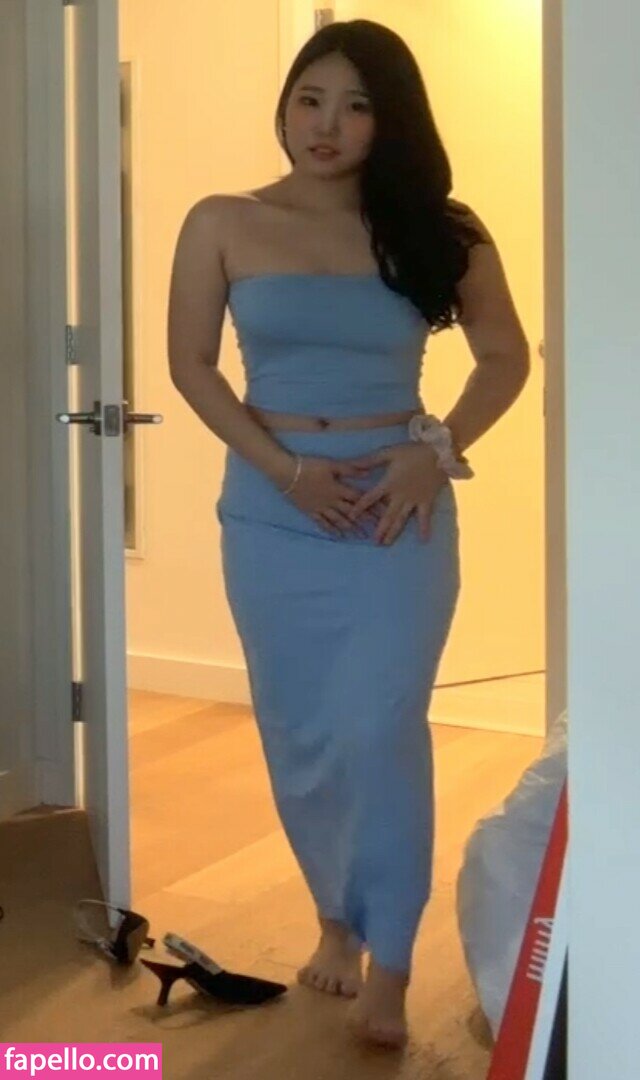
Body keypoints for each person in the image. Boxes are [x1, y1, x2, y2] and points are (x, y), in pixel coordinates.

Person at [167, 18, 530, 1051]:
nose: (326, 123)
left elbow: (504, 358)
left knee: (379, 728)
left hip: (396, 509)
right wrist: (285, 472)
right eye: (309, 99)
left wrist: (434, 450)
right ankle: (336, 914)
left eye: (357, 105)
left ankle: (392, 960)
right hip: (272, 512)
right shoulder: (224, 220)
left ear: (390, 120)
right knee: (302, 731)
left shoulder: (437, 227)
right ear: (284, 108)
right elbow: (193, 364)